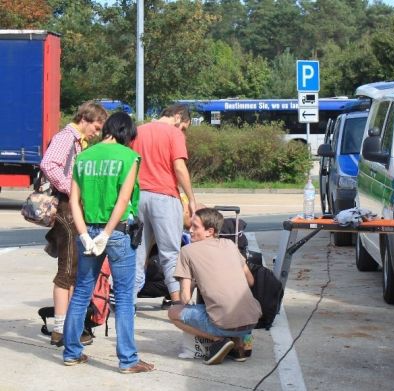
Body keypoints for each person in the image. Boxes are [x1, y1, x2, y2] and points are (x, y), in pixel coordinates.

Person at [63, 112, 154, 373]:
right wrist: (106, 234)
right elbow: (123, 202)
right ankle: (128, 360)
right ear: (126, 132)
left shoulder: (83, 156)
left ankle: (71, 352)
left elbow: (74, 202)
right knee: (124, 296)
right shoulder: (129, 158)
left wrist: (84, 235)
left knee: (81, 290)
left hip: (87, 231)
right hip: (117, 233)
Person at [40, 101, 107, 346]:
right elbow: (48, 164)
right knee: (67, 270)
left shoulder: (76, 140)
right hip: (66, 208)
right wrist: (72, 189)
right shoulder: (67, 137)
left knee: (74, 269)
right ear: (85, 119)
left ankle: (69, 325)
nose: (97, 133)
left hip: (71, 208)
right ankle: (61, 330)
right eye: (96, 127)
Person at [168, 208, 262, 365]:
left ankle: (219, 340)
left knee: (173, 312)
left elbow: (185, 298)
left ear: (209, 231)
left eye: (195, 227)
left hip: (224, 324)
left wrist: (195, 281)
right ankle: (239, 347)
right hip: (252, 321)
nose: (190, 230)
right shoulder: (230, 244)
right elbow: (250, 281)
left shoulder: (187, 251)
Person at [132, 104, 197, 304]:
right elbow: (179, 167)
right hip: (165, 197)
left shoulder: (138, 131)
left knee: (137, 253)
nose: (183, 131)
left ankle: (128, 302)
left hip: (138, 197)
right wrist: (191, 198)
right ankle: (178, 303)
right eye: (184, 126)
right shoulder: (174, 134)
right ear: (178, 117)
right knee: (170, 253)